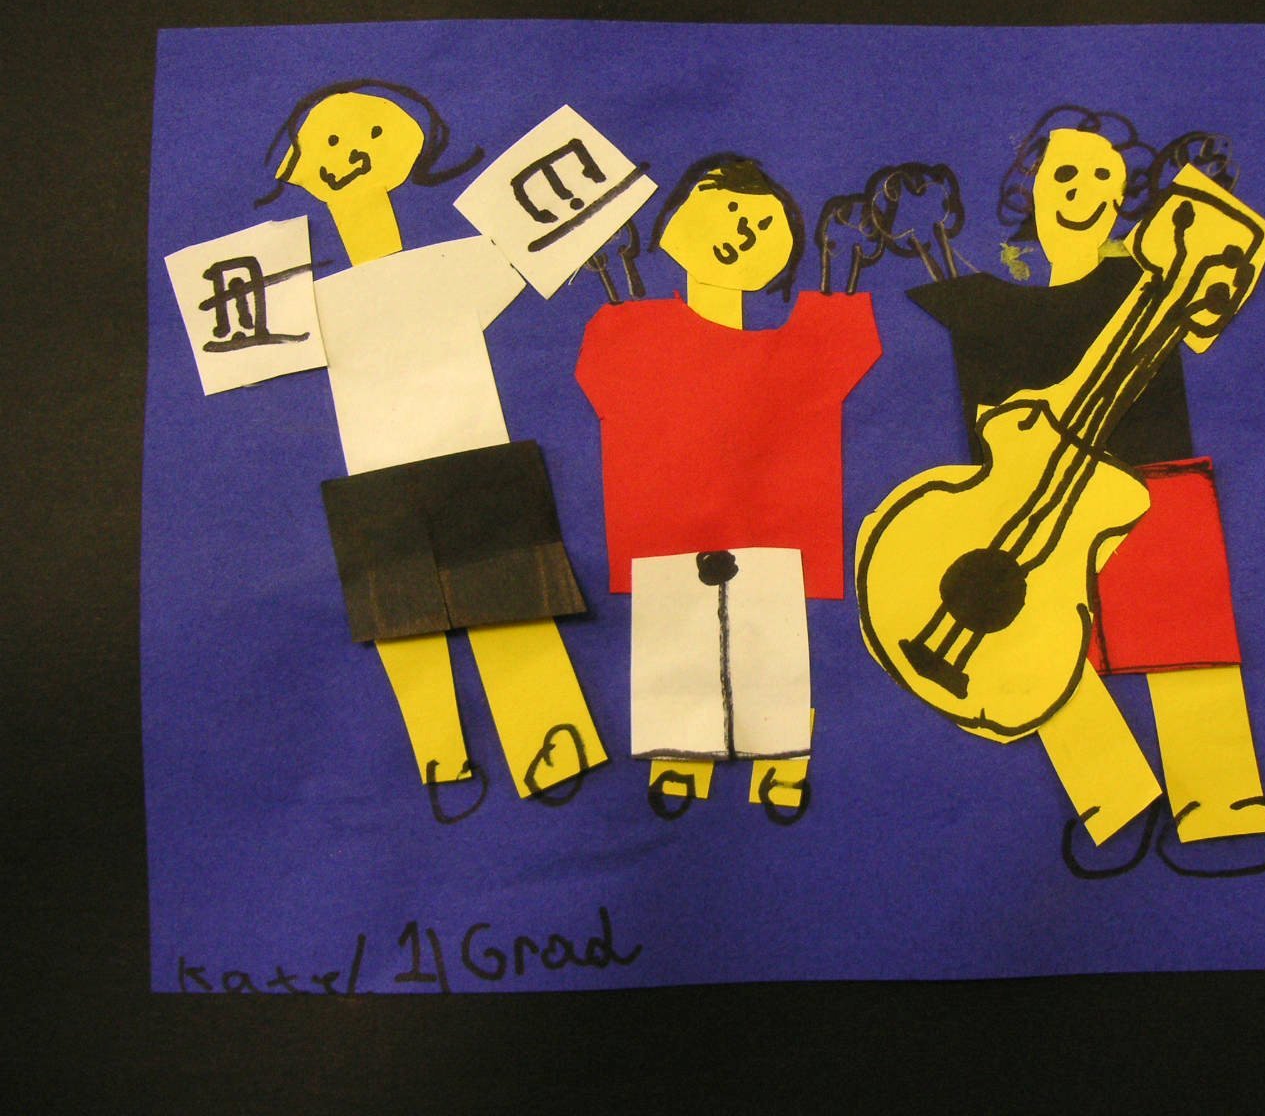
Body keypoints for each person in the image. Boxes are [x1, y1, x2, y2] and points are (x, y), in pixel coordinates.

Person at [904, 106, 1265, 875]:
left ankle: (1220, 805)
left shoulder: (1149, 278)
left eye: (1103, 176)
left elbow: (1218, 265)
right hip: (1029, 499)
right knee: (1037, 649)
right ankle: (1114, 799)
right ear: (1031, 191)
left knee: (1184, 640)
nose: (1082, 190)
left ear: (1123, 198)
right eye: (1065, 174)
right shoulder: (989, 304)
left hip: (1154, 484)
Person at [256, 79, 608, 805]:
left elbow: (529, 242)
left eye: (373, 134)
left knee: (510, 602)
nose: (351, 152)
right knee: (403, 621)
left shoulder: (446, 270)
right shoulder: (305, 303)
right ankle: (443, 759)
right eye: (330, 142)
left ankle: (549, 740)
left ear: (415, 145)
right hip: (380, 480)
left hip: (474, 462)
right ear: (298, 168)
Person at [576, 154, 880, 820]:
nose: (741, 231)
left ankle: (777, 759)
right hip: (667, 528)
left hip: (767, 533)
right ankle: (679, 757)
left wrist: (839, 284)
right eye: (729, 210)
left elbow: (845, 348)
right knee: (676, 640)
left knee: (770, 643)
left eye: (763, 225)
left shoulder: (788, 346)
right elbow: (603, 377)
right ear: (674, 220)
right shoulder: (631, 331)